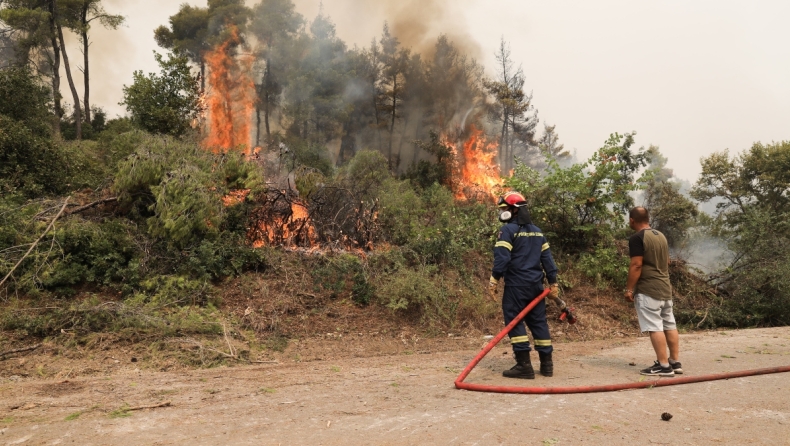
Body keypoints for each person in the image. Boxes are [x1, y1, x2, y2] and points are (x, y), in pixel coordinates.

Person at [488, 191, 560, 379]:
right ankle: (547, 365)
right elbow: (548, 260)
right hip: (536, 287)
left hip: (516, 287)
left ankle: (524, 366)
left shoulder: (508, 231)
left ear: (515, 210)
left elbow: (502, 258)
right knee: (538, 323)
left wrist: (494, 279)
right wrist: (553, 282)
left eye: (505, 209)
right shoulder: (538, 231)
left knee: (514, 321)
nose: (503, 212)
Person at [624, 206, 683, 377]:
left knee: (655, 326)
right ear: (648, 219)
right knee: (669, 324)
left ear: (632, 220)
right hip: (665, 287)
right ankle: (674, 362)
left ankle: (663, 366)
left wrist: (629, 289)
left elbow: (636, 265)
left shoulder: (637, 238)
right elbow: (667, 262)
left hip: (649, 289)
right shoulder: (661, 236)